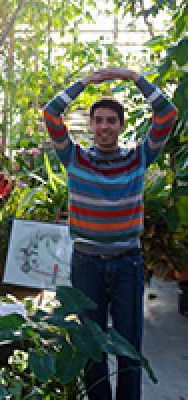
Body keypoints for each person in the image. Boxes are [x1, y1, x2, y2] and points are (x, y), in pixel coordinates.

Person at [43, 67, 177, 400]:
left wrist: (133, 77)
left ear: (121, 125)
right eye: (98, 120)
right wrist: (87, 82)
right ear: (90, 126)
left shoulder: (138, 158)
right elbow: (50, 112)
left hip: (127, 264)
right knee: (90, 342)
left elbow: (167, 113)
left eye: (111, 120)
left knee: (129, 345)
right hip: (86, 263)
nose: (104, 126)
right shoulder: (73, 158)